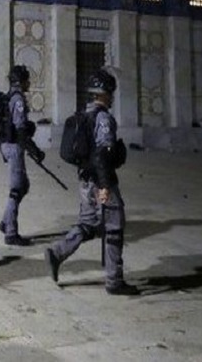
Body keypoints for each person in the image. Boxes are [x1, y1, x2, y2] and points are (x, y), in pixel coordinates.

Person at [45, 69, 139, 295]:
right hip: (100, 181)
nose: (112, 97)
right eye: (110, 93)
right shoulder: (103, 118)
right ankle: (114, 281)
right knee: (115, 225)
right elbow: (102, 155)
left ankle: (58, 252)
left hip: (85, 180)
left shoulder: (83, 115)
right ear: (105, 94)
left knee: (88, 223)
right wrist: (106, 186)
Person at [0, 64, 43, 246]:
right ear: (20, 81)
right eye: (26, 79)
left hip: (6, 145)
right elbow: (21, 130)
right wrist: (35, 151)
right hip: (14, 146)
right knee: (16, 188)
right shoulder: (18, 100)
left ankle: (5, 221)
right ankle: (11, 233)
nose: (28, 83)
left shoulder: (10, 96)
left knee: (23, 185)